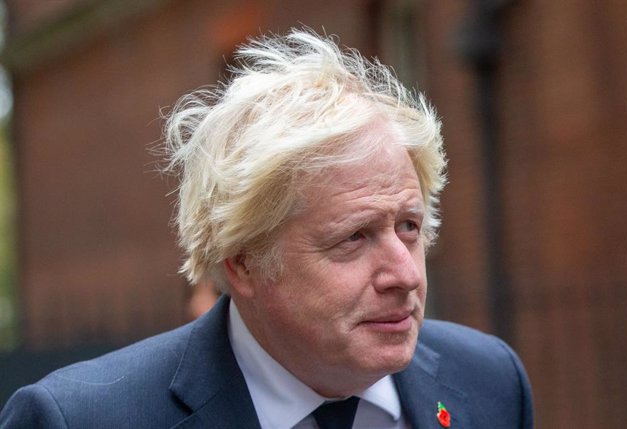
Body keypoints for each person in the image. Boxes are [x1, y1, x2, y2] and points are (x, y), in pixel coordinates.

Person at [0, 29, 533, 428]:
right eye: (353, 237)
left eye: (409, 227)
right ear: (244, 263)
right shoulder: (80, 419)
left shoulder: (489, 382)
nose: (404, 274)